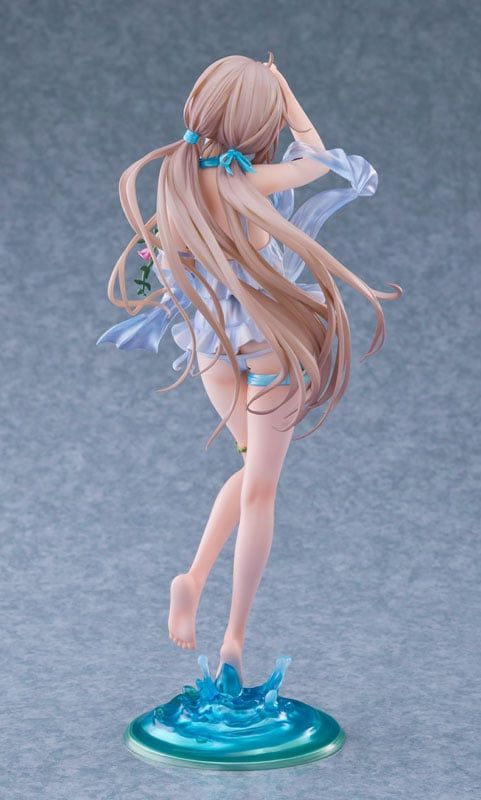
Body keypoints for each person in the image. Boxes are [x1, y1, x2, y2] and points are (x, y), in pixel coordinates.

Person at [97, 53, 402, 683]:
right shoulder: (246, 181)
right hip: (265, 345)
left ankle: (192, 577)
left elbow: (160, 260)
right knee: (262, 489)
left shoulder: (179, 180)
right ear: (259, 120)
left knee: (249, 471)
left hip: (211, 347)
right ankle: (234, 640)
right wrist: (290, 99)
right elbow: (317, 159)